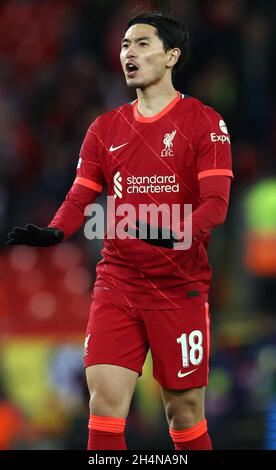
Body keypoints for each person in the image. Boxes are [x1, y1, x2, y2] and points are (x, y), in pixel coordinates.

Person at [6, 12, 233, 450]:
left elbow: (216, 207)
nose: (129, 52)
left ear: (172, 56)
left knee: (183, 412)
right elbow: (80, 198)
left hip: (179, 285)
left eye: (142, 43)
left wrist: (174, 233)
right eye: (126, 44)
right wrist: (55, 232)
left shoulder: (204, 122)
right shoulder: (104, 128)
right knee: (105, 404)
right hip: (118, 283)